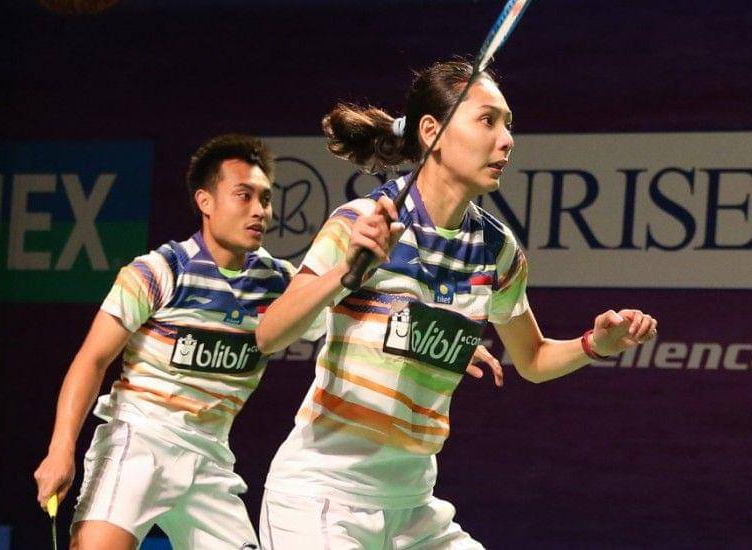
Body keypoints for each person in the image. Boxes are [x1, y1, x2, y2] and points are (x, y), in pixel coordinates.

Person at [255, 60, 658, 548]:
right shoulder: (365, 221)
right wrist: (347, 271)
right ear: (432, 132)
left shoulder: (496, 249)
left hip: (412, 506)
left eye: (508, 124)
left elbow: (532, 358)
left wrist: (594, 345)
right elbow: (270, 334)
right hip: (323, 498)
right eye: (487, 121)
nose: (506, 140)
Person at [33, 134, 323, 549]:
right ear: (206, 201)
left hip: (210, 458)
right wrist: (61, 449)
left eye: (265, 198)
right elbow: (92, 359)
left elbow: (337, 322)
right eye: (243, 196)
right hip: (139, 442)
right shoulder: (159, 271)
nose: (260, 210)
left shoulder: (278, 283)